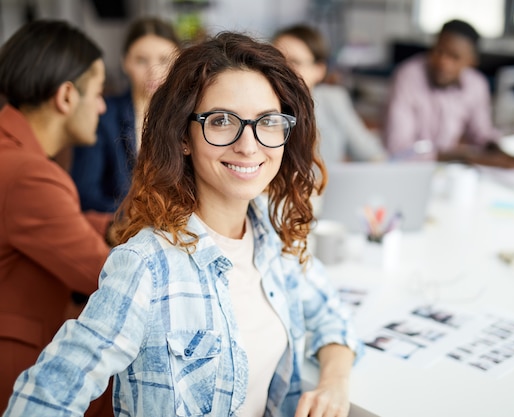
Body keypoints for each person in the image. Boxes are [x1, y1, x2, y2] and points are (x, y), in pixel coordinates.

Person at [4, 32, 362, 417]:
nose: (249, 145)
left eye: (268, 121)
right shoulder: (146, 264)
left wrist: (333, 384)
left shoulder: (273, 238)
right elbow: (46, 397)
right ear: (184, 136)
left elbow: (332, 315)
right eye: (222, 120)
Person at [0, 20, 114, 416]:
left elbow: (55, 226)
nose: (102, 106)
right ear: (67, 96)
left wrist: (113, 226)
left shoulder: (14, 157)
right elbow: (105, 277)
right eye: (99, 93)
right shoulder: (30, 175)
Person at [71, 17, 181, 213]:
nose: (153, 71)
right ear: (125, 63)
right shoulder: (102, 116)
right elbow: (85, 195)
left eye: (164, 60)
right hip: (121, 232)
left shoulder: (188, 117)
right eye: (141, 60)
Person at [383, 19, 514, 168]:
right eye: (438, 51)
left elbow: (481, 133)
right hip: (408, 170)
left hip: (446, 170)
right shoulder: (407, 77)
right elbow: (399, 150)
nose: (443, 62)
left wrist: (496, 151)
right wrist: (462, 155)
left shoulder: (476, 85)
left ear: (471, 61)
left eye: (454, 57)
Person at [273, 23, 387, 164]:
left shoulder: (333, 99)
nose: (282, 69)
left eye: (295, 62)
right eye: (276, 61)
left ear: (319, 70)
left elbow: (370, 153)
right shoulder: (261, 105)